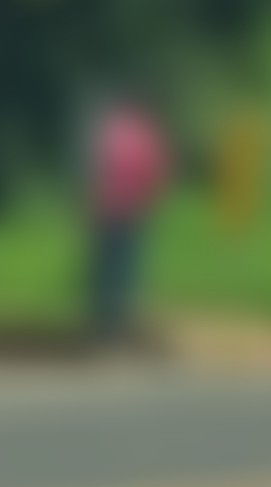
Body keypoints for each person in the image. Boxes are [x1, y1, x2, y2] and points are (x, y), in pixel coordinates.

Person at [87, 93, 167, 343]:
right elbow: (154, 172)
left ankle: (103, 317)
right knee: (123, 267)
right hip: (131, 209)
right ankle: (116, 317)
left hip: (108, 208)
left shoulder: (112, 132)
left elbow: (98, 169)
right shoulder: (145, 135)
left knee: (107, 265)